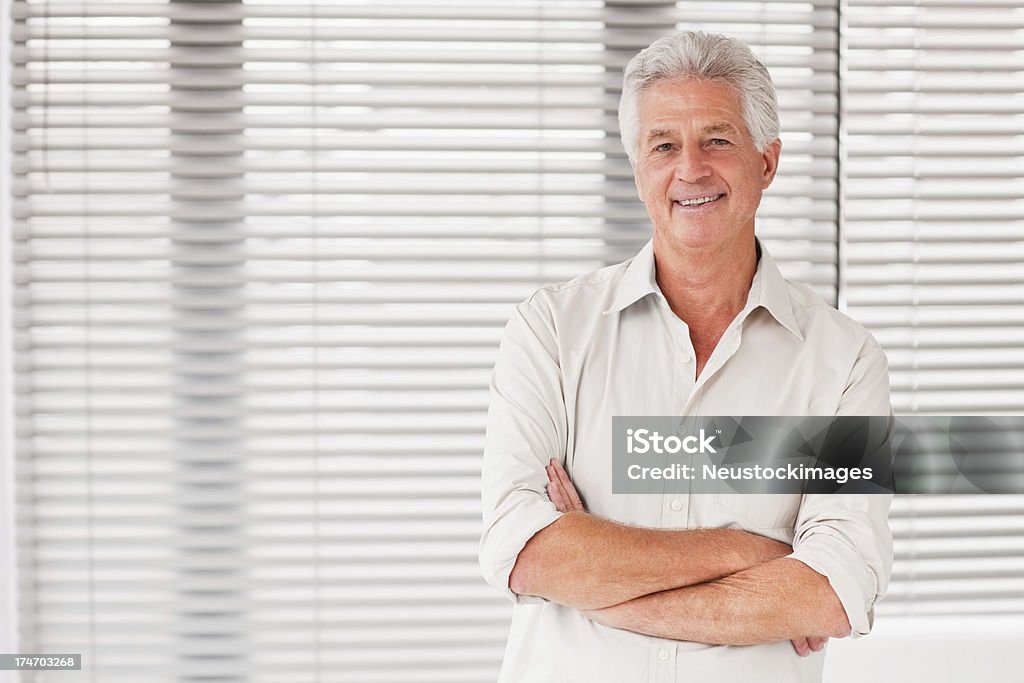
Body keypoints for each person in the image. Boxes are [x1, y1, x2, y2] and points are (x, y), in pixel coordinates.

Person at [478, 30, 893, 683]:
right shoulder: (552, 331)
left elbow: (830, 591)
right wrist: (752, 549)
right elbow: (526, 551)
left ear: (768, 162)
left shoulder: (844, 361)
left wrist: (603, 585)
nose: (690, 168)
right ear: (638, 167)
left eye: (718, 140)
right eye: (664, 144)